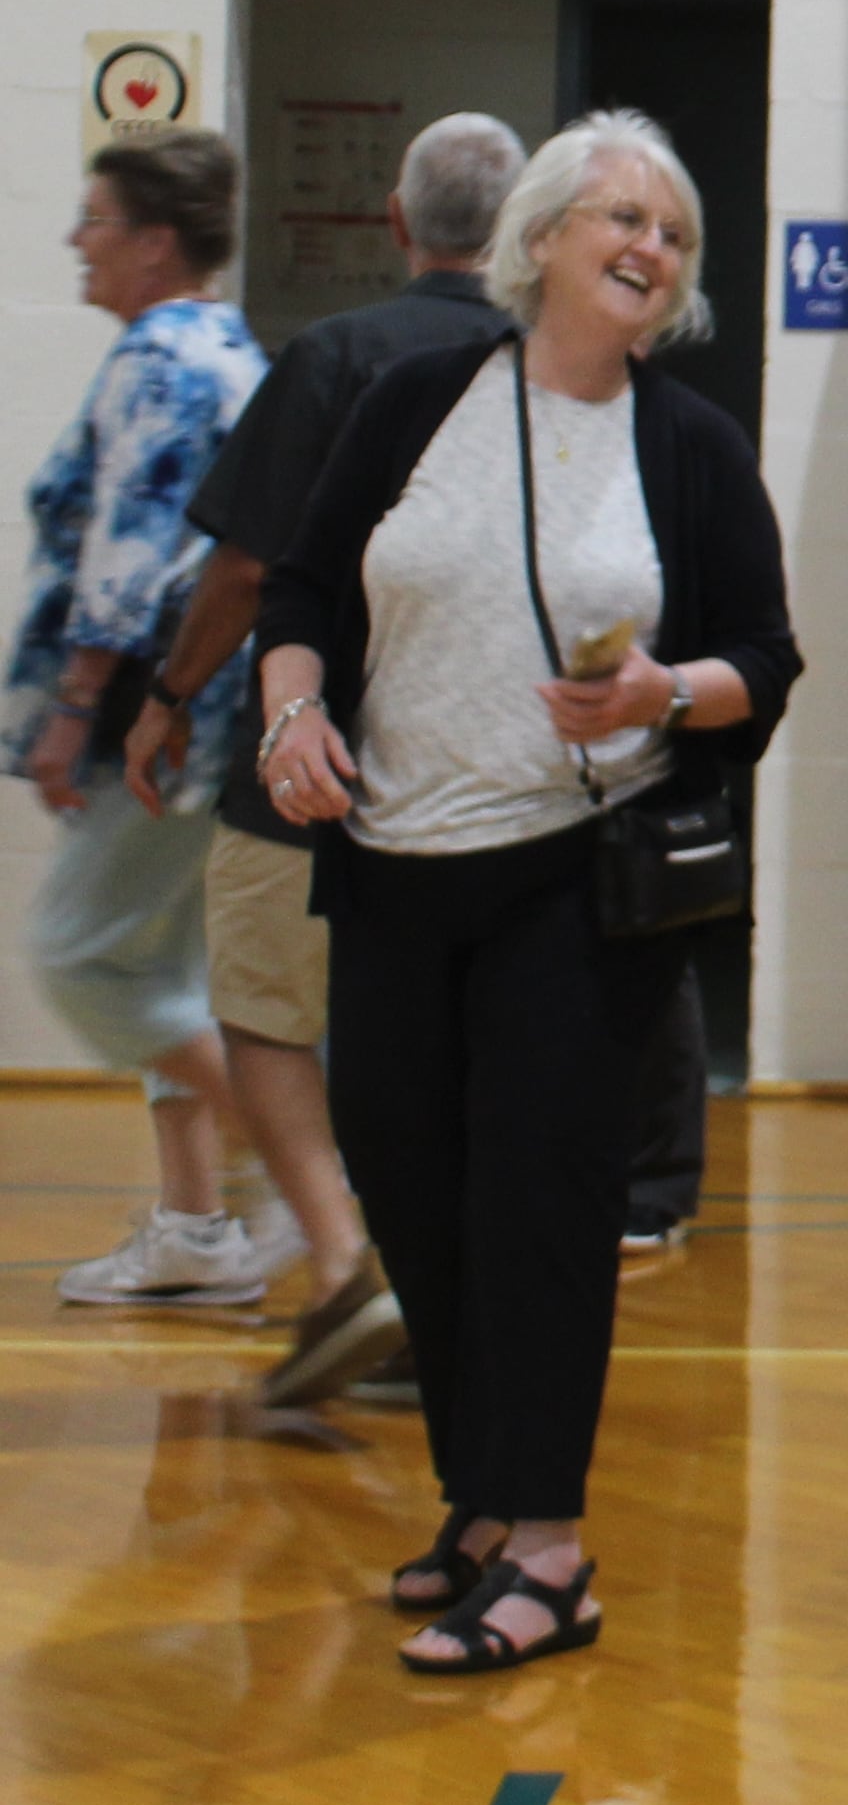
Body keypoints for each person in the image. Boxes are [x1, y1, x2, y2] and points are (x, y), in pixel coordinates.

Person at [256, 110, 802, 1673]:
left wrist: (660, 694)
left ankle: (551, 1546)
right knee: (414, 1194)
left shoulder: (686, 444)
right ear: (545, 237)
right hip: (392, 869)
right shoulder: (419, 399)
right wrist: (294, 715)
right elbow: (301, 594)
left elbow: (766, 665)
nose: (650, 247)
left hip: (576, 884)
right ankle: (483, 1502)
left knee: (540, 1211)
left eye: (676, 232)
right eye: (622, 217)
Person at [125, 112, 525, 1404]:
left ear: (397, 224)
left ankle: (347, 1261)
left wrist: (169, 695)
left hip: (311, 757)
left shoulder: (336, 355)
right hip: (487, 773)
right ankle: (455, 1307)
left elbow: (245, 568)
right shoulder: (550, 368)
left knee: (262, 1013)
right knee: (456, 1040)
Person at [18, 130, 275, 1313]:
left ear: (156, 242)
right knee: (157, 959)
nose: (79, 242)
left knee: (79, 953)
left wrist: (76, 712)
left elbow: (126, 561)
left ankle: (315, 1172)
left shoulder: (163, 363)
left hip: (158, 719)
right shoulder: (214, 344)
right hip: (195, 716)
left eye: (96, 221)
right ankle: (193, 1228)